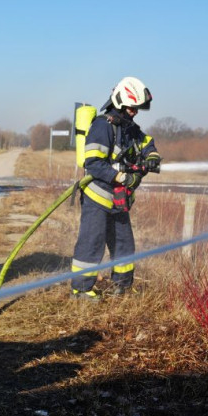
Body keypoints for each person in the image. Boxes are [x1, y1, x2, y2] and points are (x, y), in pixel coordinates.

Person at [70, 76, 162, 300]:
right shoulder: (103, 126)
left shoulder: (130, 128)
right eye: (133, 108)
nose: (135, 112)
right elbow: (93, 163)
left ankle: (122, 286)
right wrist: (122, 177)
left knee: (124, 243)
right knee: (92, 242)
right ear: (121, 102)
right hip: (97, 196)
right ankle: (81, 289)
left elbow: (147, 143)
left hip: (119, 198)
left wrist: (152, 156)